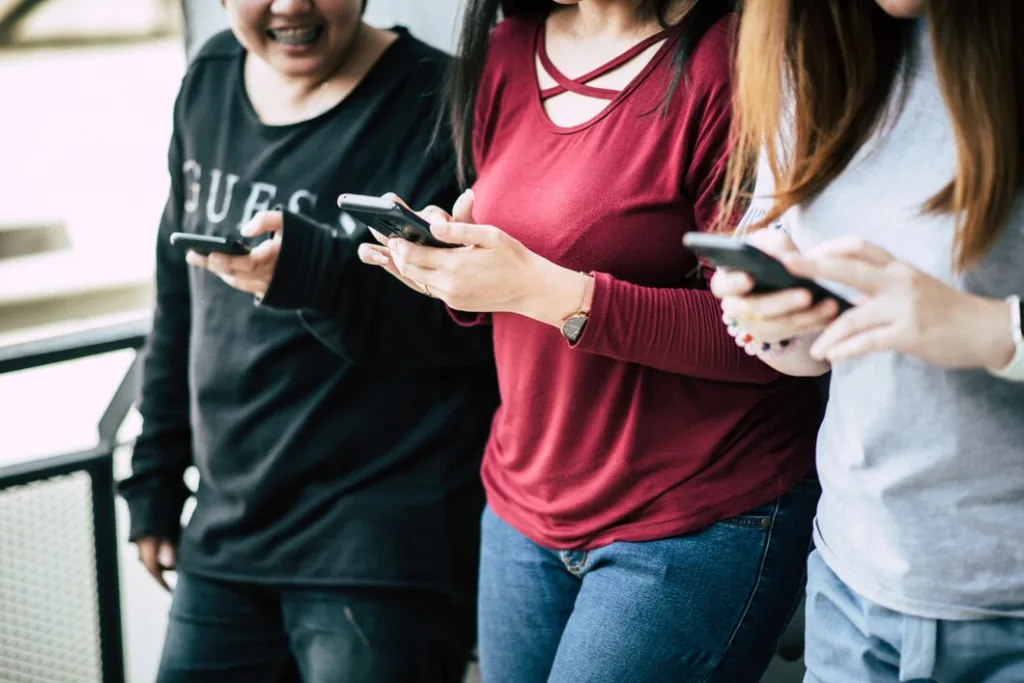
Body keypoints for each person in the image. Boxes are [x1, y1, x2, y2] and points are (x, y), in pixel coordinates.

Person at [359, 1, 823, 680]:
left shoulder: (732, 57)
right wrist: (460, 273)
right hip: (523, 504)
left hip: (693, 511)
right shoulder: (510, 50)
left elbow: (771, 342)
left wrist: (550, 292)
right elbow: (520, 280)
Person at [118, 1, 498, 681]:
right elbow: (179, 303)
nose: (292, 4)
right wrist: (154, 476)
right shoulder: (207, 80)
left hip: (378, 552)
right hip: (226, 534)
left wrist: (316, 274)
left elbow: (476, 331)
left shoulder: (443, 99)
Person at [711, 1, 1024, 681]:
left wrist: (990, 331)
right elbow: (809, 354)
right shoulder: (809, 44)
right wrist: (771, 321)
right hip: (854, 587)